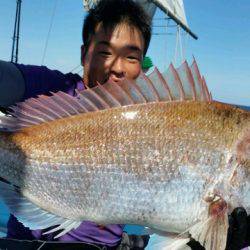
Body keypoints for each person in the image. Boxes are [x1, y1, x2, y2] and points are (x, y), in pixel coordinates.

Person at [0, 0, 249, 250]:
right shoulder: (51, 88)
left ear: (142, 63)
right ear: (84, 53)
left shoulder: (155, 109)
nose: (116, 67)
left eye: (131, 56)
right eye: (105, 52)